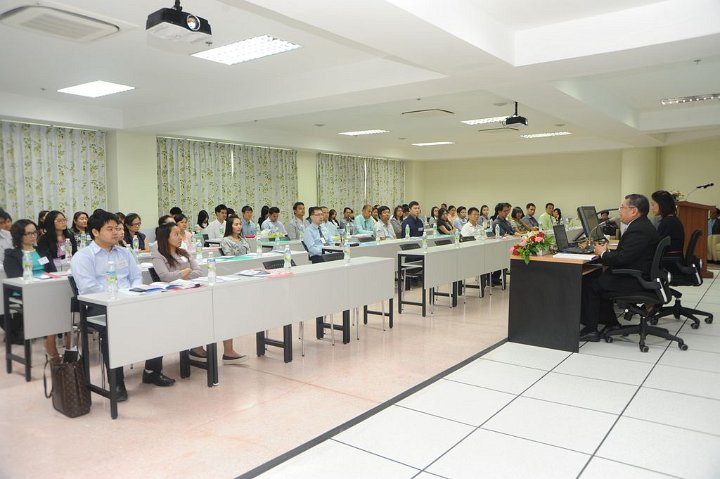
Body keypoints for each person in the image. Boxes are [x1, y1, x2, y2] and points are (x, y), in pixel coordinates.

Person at [72, 210, 176, 401]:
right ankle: (116, 382)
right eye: (110, 229)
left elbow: (136, 277)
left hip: (129, 300)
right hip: (99, 306)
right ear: (95, 232)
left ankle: (152, 371)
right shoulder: (83, 256)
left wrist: (131, 294)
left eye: (117, 228)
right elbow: (88, 288)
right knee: (112, 329)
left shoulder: (124, 252)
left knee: (158, 318)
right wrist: (118, 298)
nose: (116, 232)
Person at [580, 194, 659, 341]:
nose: (620, 211)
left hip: (634, 279)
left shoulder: (638, 230)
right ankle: (612, 324)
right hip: (639, 274)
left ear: (633, 211)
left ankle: (591, 330)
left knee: (590, 284)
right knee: (597, 278)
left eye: (622, 207)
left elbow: (623, 258)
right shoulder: (641, 225)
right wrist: (606, 253)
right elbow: (627, 254)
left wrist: (603, 253)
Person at [3, 219, 59, 351]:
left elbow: (53, 271)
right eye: (29, 233)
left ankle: (57, 336)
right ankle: (48, 337)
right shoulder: (12, 254)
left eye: (35, 232)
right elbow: (15, 276)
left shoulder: (42, 251)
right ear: (19, 236)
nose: (33, 236)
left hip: (46, 287)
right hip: (25, 290)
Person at [651, 190, 684, 258]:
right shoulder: (672, 220)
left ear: (662, 204)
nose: (652, 208)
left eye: (653, 204)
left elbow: (657, 245)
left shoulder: (667, 222)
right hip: (673, 259)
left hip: (668, 261)